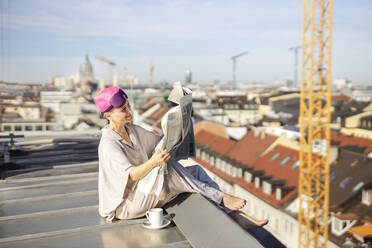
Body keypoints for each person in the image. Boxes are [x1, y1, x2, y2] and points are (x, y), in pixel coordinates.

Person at [94, 86, 268, 228]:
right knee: (167, 172)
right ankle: (223, 199)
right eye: (123, 109)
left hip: (141, 192)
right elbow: (131, 175)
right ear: (108, 115)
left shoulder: (133, 131)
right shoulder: (109, 143)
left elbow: (160, 142)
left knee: (197, 171)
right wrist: (154, 162)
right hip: (125, 206)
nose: (129, 111)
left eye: (128, 106)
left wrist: (178, 126)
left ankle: (233, 216)